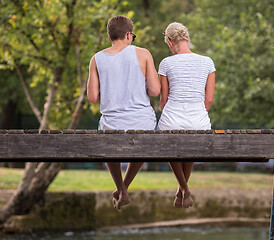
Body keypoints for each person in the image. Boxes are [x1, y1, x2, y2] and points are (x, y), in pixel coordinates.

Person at [87, 15, 160, 210]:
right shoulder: (144, 54)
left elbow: (93, 97)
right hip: (142, 122)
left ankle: (120, 187)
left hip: (112, 124)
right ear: (128, 34)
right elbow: (154, 91)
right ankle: (124, 187)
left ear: (110, 36)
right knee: (144, 138)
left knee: (108, 134)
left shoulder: (97, 59)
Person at [157, 22, 216, 208]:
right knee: (190, 141)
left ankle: (183, 188)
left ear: (169, 42)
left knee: (169, 142)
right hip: (199, 120)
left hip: (172, 118)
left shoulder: (166, 63)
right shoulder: (207, 62)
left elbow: (164, 100)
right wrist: (197, 113)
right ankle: (182, 190)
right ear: (188, 39)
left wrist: (170, 113)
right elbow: (209, 100)